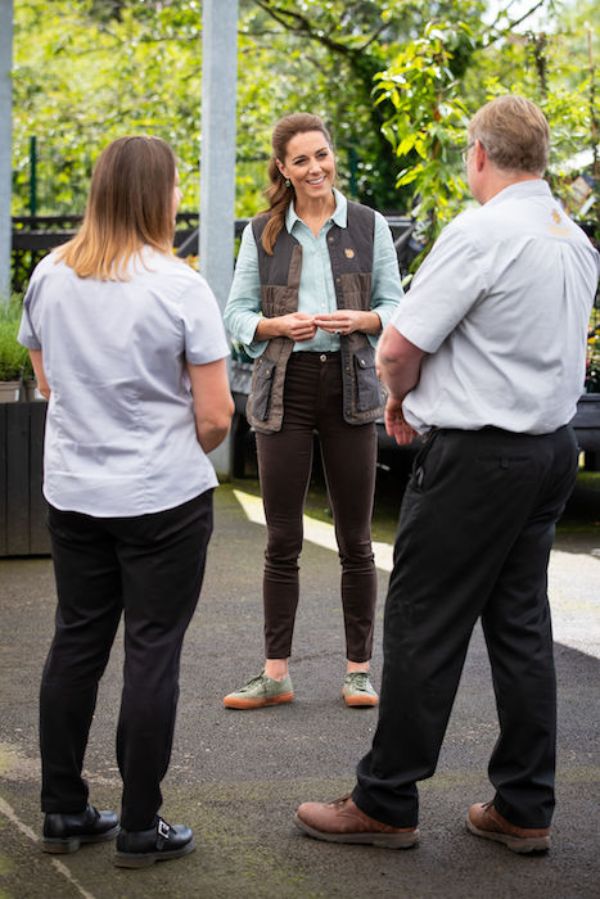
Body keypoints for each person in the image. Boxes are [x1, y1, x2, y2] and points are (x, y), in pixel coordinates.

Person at [294, 96, 600, 852]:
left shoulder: (483, 231)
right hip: (550, 451)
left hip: (478, 457)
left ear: (479, 155)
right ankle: (525, 804)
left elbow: (399, 344)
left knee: (423, 620)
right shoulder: (574, 239)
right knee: (522, 626)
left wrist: (399, 398)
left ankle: (385, 800)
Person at [18, 136, 234, 868]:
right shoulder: (179, 285)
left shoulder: (49, 274)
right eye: (175, 185)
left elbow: (48, 382)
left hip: (75, 493)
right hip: (161, 500)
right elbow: (216, 416)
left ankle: (62, 808)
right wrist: (163, 453)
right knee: (151, 652)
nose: (179, 197)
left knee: (76, 641)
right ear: (156, 194)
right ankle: (141, 826)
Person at [223, 113, 402, 710]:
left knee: (357, 538)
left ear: (332, 155)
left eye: (321, 155)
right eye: (301, 160)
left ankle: (358, 672)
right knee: (282, 538)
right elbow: (236, 316)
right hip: (285, 389)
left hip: (351, 387)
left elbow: (397, 308)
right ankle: (276, 673)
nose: (315, 168)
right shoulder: (262, 233)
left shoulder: (369, 226)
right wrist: (274, 325)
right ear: (283, 169)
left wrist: (365, 321)